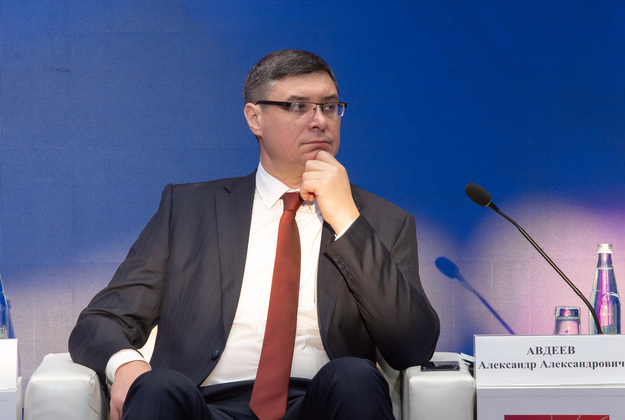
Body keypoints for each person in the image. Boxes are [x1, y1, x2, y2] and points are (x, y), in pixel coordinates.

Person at [69, 49, 440, 420]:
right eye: (298, 106)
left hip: (321, 404)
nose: (319, 121)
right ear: (255, 118)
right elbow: (100, 321)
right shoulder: (187, 209)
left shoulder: (382, 221)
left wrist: (346, 220)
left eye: (329, 107)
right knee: (157, 387)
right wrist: (127, 365)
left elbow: (413, 346)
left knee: (355, 376)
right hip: (202, 406)